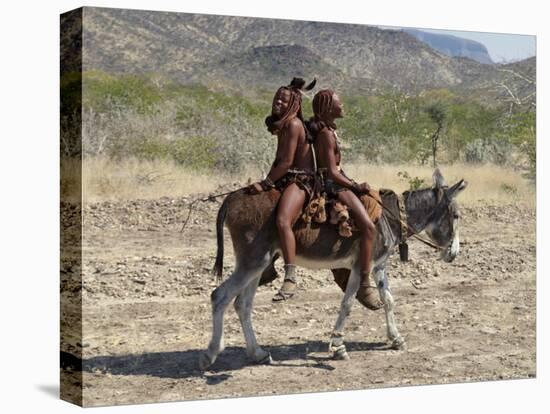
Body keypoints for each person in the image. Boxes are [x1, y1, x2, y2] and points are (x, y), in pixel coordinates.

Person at [306, 89, 383, 310]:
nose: (343, 106)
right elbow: (331, 171)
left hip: (337, 183)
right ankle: (364, 282)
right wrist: (355, 185)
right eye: (339, 103)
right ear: (329, 108)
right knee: (369, 228)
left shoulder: (327, 131)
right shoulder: (326, 135)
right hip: (333, 187)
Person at [248, 77, 316, 301]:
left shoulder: (294, 125)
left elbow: (286, 163)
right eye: (276, 98)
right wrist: (267, 181)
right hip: (287, 178)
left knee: (283, 220)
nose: (277, 102)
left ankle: (291, 277)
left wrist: (267, 183)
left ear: (294, 105)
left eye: (283, 100)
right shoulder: (284, 126)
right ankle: (267, 268)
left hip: (301, 181)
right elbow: (279, 160)